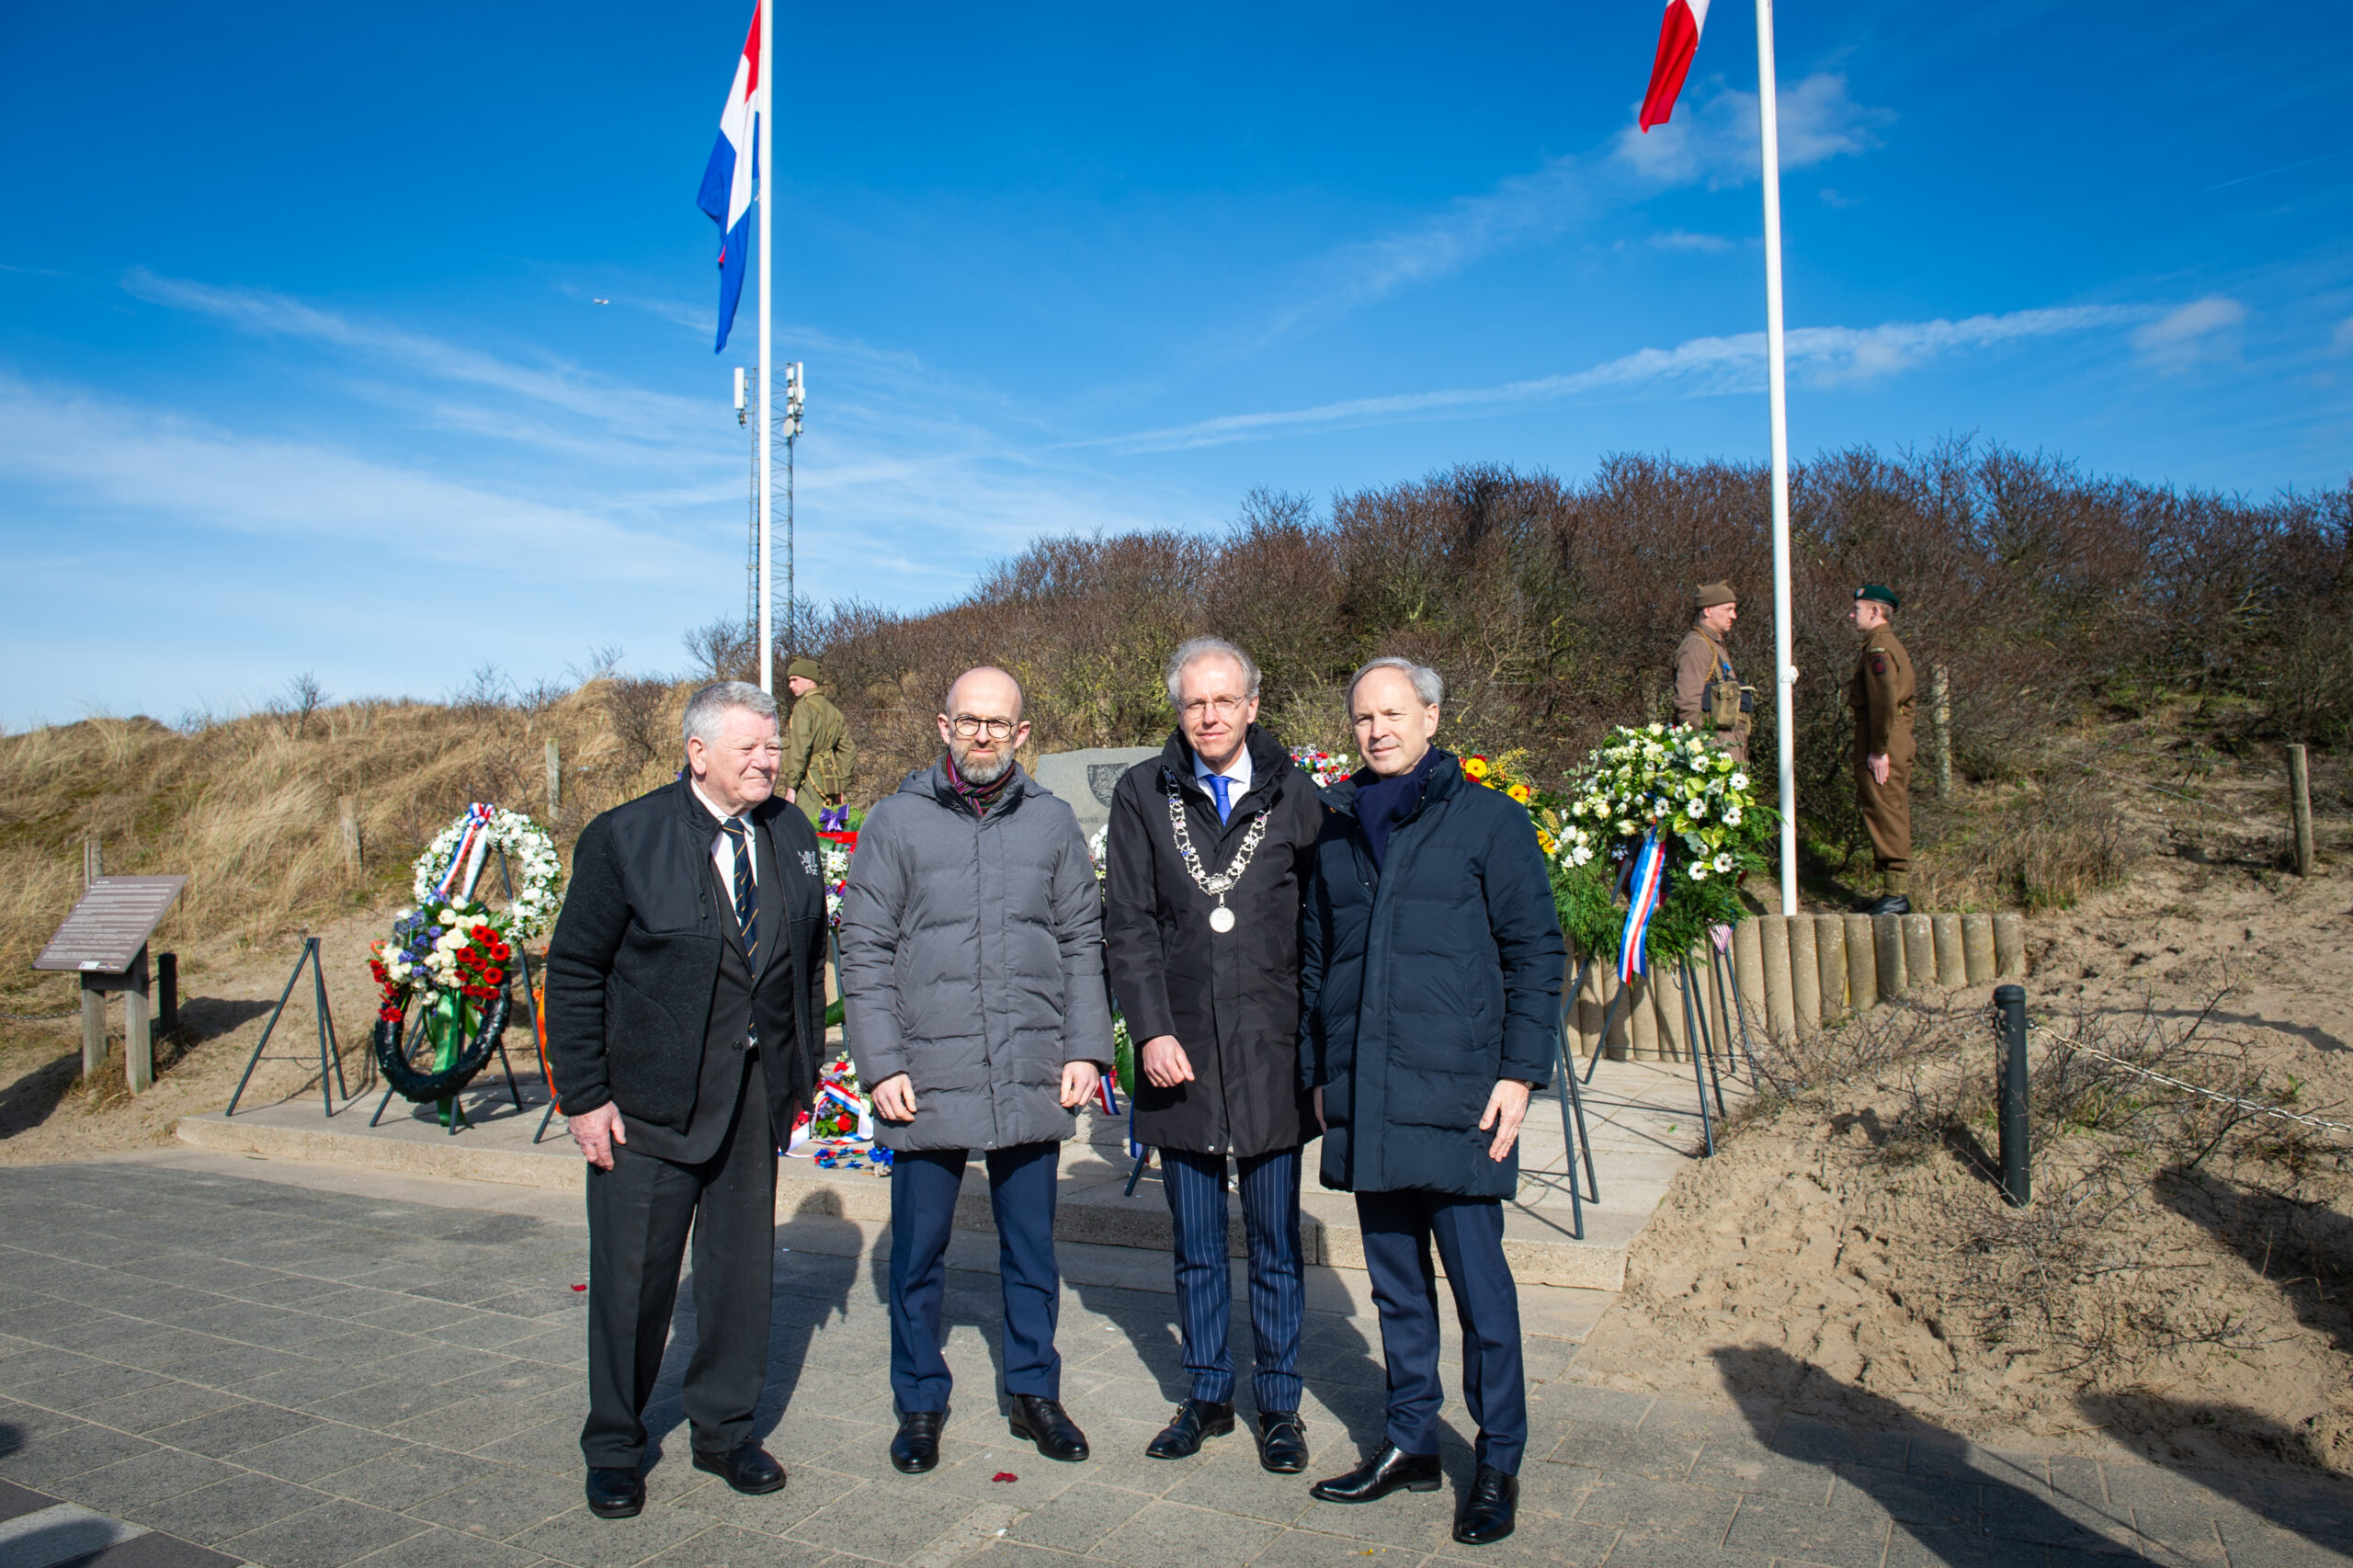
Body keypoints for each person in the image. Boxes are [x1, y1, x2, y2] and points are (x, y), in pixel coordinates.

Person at [545, 680, 829, 1520]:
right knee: (634, 1284)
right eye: (749, 748)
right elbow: (574, 972)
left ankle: (725, 1430)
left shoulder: (792, 833)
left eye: (773, 747)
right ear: (697, 753)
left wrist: (800, 1077)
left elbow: (805, 961)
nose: (767, 761)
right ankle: (615, 1445)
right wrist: (586, 1097)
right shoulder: (625, 838)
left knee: (743, 1278)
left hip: (752, 1097)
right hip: (647, 1107)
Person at [1298, 657, 1563, 1548]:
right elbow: (1315, 966)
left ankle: (1497, 1459)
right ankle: (1409, 1438)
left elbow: (1536, 951)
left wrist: (1518, 1073)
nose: (1376, 729)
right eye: (1363, 716)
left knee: (1480, 1293)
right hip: (1368, 1097)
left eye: (1393, 713)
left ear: (1431, 716)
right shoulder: (1335, 831)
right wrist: (1319, 1078)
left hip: (1460, 1100)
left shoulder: (1490, 821)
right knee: (1396, 1289)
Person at [836, 666, 1114, 1476]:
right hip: (925, 1072)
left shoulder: (1054, 824)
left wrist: (1086, 1048)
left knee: (1032, 1248)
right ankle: (920, 1400)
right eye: (969, 720)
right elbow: (865, 947)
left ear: (1023, 733)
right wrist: (879, 1060)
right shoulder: (896, 821)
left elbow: (1080, 942)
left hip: (1030, 1065)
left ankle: (1034, 1391)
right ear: (943, 726)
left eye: (999, 722)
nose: (984, 734)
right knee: (918, 1254)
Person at [1104, 637, 1325, 1473]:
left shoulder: (1299, 797)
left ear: (1253, 706)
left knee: (1273, 1241)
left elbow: (1320, 929)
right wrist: (1152, 1030)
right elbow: (1127, 922)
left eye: (1225, 701)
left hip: (1270, 1051)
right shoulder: (1141, 793)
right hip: (1181, 1050)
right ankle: (1206, 1393)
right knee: (1196, 1241)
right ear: (1179, 709)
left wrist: (1313, 1048)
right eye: (1196, 703)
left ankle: (1279, 1402)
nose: (1210, 716)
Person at [1848, 585, 1916, 915]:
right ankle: (1893, 893)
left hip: (1883, 738)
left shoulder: (1879, 648)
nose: (1852, 614)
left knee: (1886, 809)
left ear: (1875, 611)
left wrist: (1879, 749)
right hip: (1887, 735)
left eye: (1857, 609)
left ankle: (1897, 895)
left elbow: (1884, 700)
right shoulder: (1880, 645)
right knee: (1883, 807)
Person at [1671, 580, 1752, 762]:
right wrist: (1701, 753)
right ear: (1708, 611)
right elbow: (1687, 704)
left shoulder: (1715, 647)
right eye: (1728, 609)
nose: (1734, 616)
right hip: (1711, 756)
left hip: (1726, 751)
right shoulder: (1696, 646)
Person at [779, 656, 855, 826]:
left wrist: (791, 788)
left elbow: (800, 750)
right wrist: (841, 784)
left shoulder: (803, 707)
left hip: (808, 782)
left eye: (795, 680)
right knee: (830, 834)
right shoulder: (833, 710)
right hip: (831, 782)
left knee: (807, 831)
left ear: (809, 680)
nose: (791, 685)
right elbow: (848, 750)